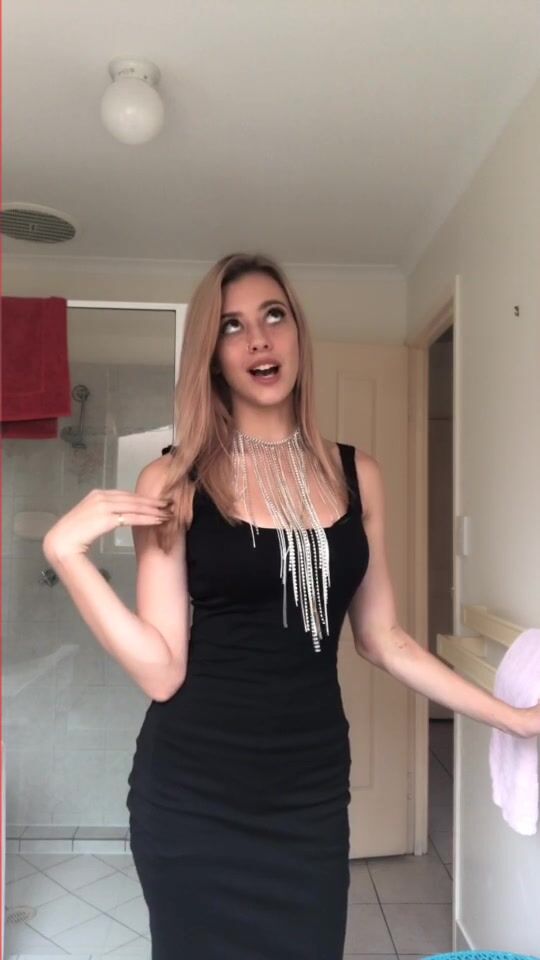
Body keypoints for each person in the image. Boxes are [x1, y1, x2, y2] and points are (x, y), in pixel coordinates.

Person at [43, 252, 540, 960]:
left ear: (298, 332)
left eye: (273, 316)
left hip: (309, 792)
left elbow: (385, 639)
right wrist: (67, 555)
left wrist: (515, 719)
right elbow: (161, 671)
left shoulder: (358, 474)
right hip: (192, 794)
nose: (258, 340)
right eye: (232, 326)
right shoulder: (174, 477)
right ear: (213, 356)